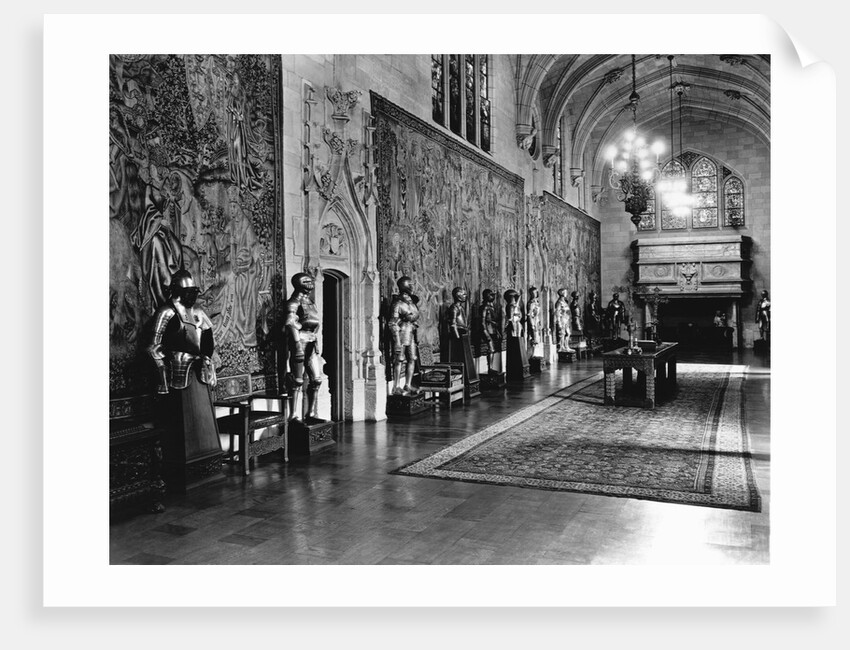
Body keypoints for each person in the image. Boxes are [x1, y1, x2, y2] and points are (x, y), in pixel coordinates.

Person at [147, 270, 221, 464]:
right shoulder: (167, 312)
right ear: (178, 291)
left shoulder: (198, 312)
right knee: (179, 426)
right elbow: (153, 348)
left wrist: (208, 362)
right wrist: (162, 380)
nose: (193, 295)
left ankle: (207, 461)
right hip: (176, 370)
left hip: (200, 371)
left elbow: (207, 343)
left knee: (203, 423)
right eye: (189, 290)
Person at [283, 273, 325, 422]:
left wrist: (316, 342)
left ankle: (311, 413)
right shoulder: (293, 303)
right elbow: (290, 323)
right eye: (306, 281)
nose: (310, 283)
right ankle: (293, 415)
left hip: (311, 342)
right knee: (298, 380)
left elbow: (315, 324)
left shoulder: (310, 303)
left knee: (316, 380)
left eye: (310, 280)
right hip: (299, 341)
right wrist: (296, 345)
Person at [388, 276, 420, 396]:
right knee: (399, 360)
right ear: (404, 286)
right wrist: (396, 341)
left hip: (411, 332)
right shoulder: (398, 303)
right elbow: (392, 323)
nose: (412, 287)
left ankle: (408, 384)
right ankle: (396, 387)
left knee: (412, 358)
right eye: (410, 284)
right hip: (401, 333)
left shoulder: (411, 302)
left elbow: (414, 317)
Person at [479, 289, 501, 373]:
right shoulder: (484, 307)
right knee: (491, 349)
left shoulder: (491, 307)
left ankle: (491, 367)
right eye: (491, 295)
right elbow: (482, 322)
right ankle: (489, 368)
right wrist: (485, 333)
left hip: (492, 330)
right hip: (487, 330)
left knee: (493, 349)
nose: (493, 297)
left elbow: (492, 321)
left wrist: (497, 332)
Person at [526, 286, 542, 352]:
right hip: (533, 320)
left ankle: (536, 351)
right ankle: (532, 351)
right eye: (533, 293)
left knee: (538, 334)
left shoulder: (537, 302)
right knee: (533, 335)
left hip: (537, 319)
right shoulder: (531, 303)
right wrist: (532, 324)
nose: (534, 294)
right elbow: (529, 314)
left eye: (535, 292)